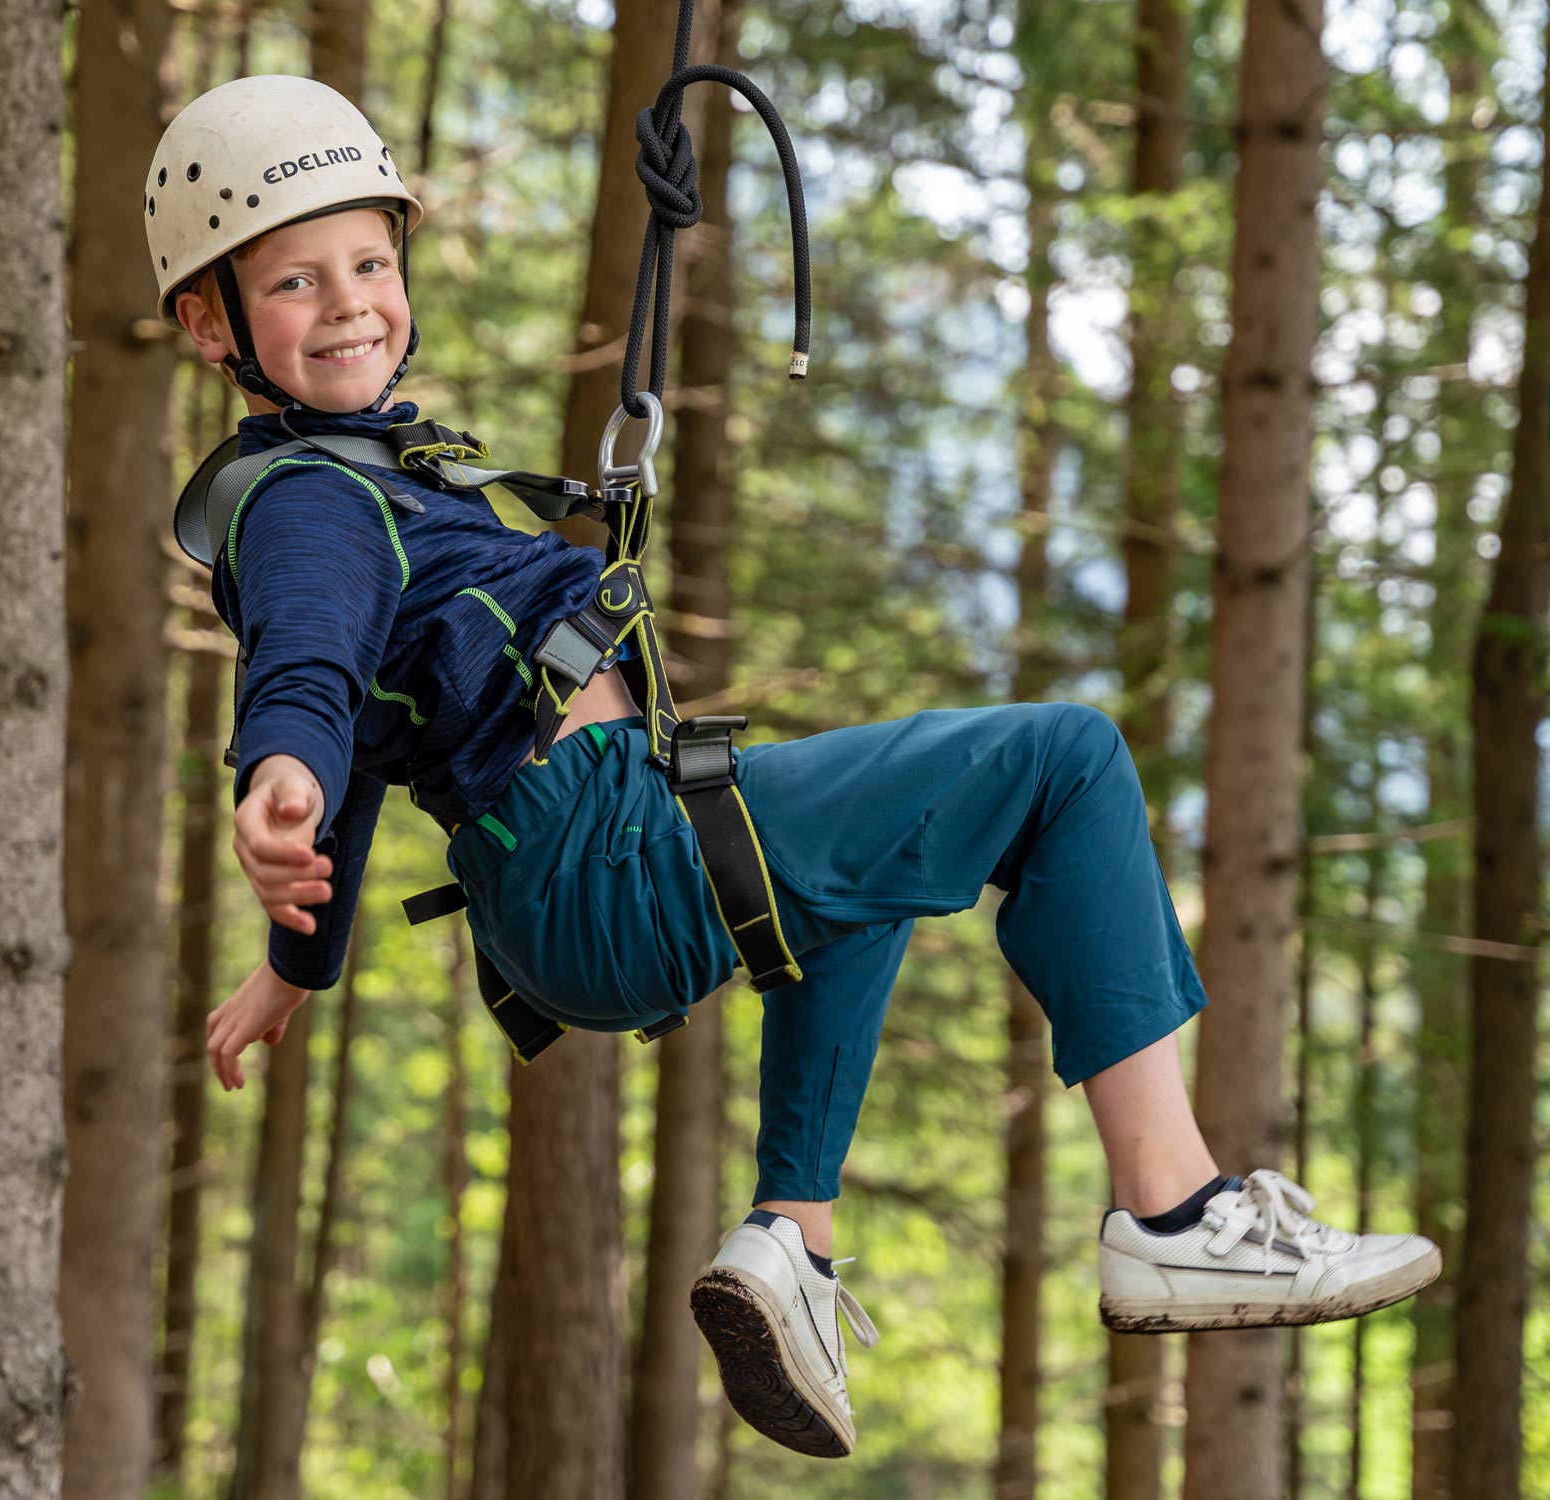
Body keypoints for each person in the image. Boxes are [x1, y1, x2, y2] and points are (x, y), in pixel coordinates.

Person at [163, 75, 1442, 1461]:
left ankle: (793, 1238)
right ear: (209, 324)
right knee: (1067, 759)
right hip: (603, 863)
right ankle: (1175, 1215)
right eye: (295, 280)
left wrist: (297, 964)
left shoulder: (364, 470)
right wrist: (277, 770)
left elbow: (359, 736)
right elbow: (308, 673)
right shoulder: (309, 507)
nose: (351, 301)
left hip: (595, 868)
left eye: (370, 260)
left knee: (884, 861)